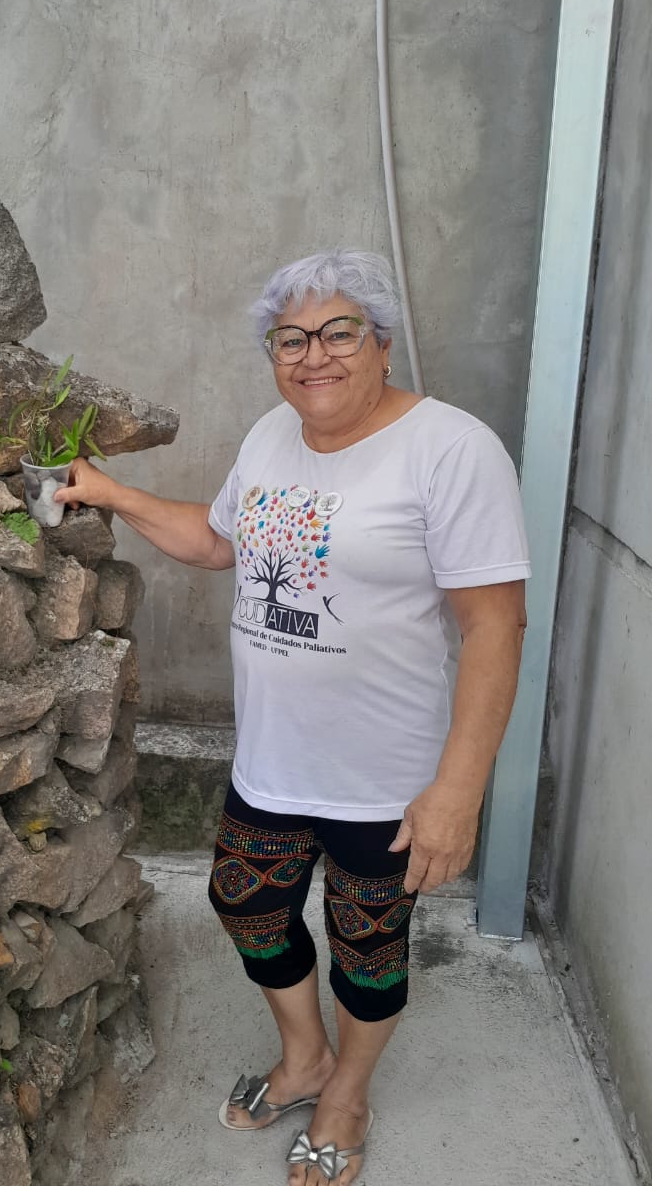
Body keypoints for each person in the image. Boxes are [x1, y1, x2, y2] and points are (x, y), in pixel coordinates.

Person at [54, 248, 529, 1186]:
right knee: (248, 905)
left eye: (338, 332)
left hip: (384, 778)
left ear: (382, 343)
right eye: (290, 339)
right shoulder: (274, 434)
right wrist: (111, 493)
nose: (314, 356)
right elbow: (219, 541)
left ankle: (348, 1090)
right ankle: (305, 1056)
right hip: (273, 762)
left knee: (368, 947)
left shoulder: (452, 449)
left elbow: (494, 626)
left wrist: (458, 791)